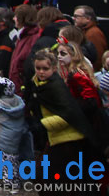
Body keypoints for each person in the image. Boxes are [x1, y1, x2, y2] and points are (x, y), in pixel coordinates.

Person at [28, 49, 100, 186]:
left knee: (52, 178)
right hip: (56, 137)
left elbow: (68, 114)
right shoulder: (39, 85)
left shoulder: (55, 86)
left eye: (45, 68)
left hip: (68, 139)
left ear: (54, 68)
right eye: (38, 68)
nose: (41, 72)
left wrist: (43, 124)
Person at [0, 77, 29, 193]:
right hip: (14, 137)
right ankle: (15, 180)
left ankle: (9, 183)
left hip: (2, 138)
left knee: (4, 160)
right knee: (13, 159)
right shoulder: (17, 101)